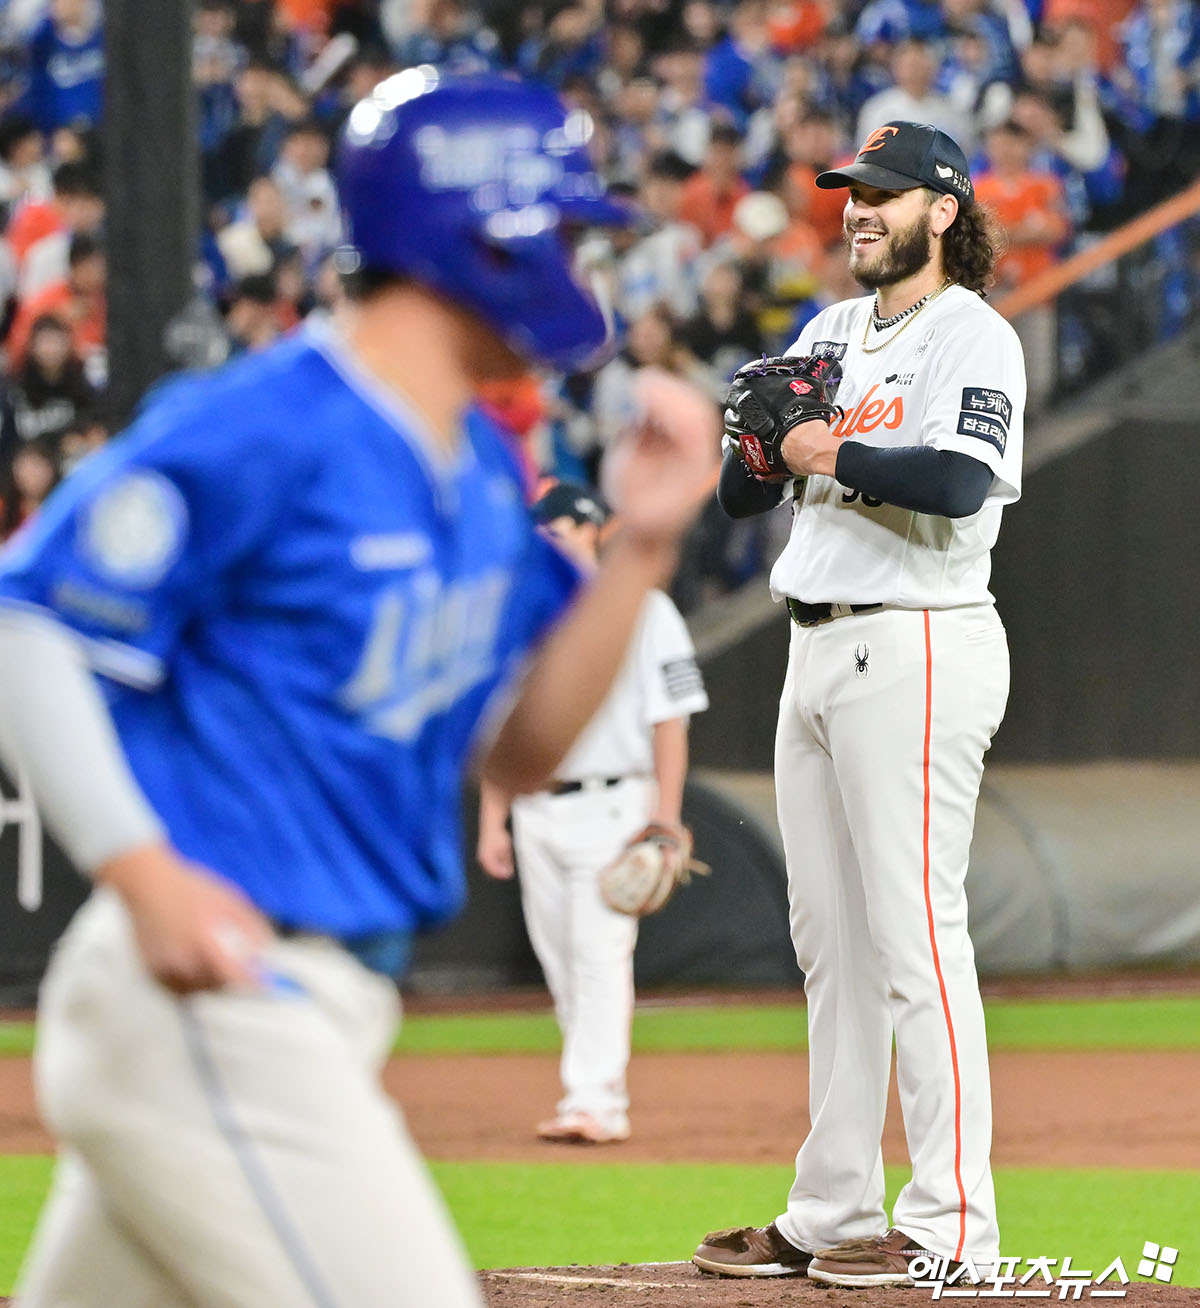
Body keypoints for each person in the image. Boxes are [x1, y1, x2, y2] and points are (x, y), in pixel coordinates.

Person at [0, 72, 718, 1308]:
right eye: (557, 231)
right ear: (478, 239)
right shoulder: (270, 418)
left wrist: (644, 549)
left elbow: (522, 747)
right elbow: (27, 620)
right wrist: (142, 872)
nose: (575, 264)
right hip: (219, 994)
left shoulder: (481, 464)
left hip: (328, 997)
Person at [692, 119, 1024, 1287]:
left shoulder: (973, 335)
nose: (858, 210)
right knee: (829, 947)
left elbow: (957, 480)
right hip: (816, 644)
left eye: (882, 193)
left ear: (943, 210)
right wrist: (762, 447)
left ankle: (954, 1230)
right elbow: (743, 493)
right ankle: (833, 1206)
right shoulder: (829, 332)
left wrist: (820, 448)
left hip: (918, 640)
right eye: (851, 192)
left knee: (915, 939)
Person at [476, 481, 708, 1146]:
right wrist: (494, 818)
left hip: (614, 804)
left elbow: (671, 721)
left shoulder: (644, 609)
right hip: (536, 808)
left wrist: (665, 816)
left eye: (561, 531)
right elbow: (498, 725)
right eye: (541, 534)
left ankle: (595, 1100)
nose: (549, 542)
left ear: (594, 532)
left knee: (599, 956)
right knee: (561, 962)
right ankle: (591, 1090)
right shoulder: (519, 612)